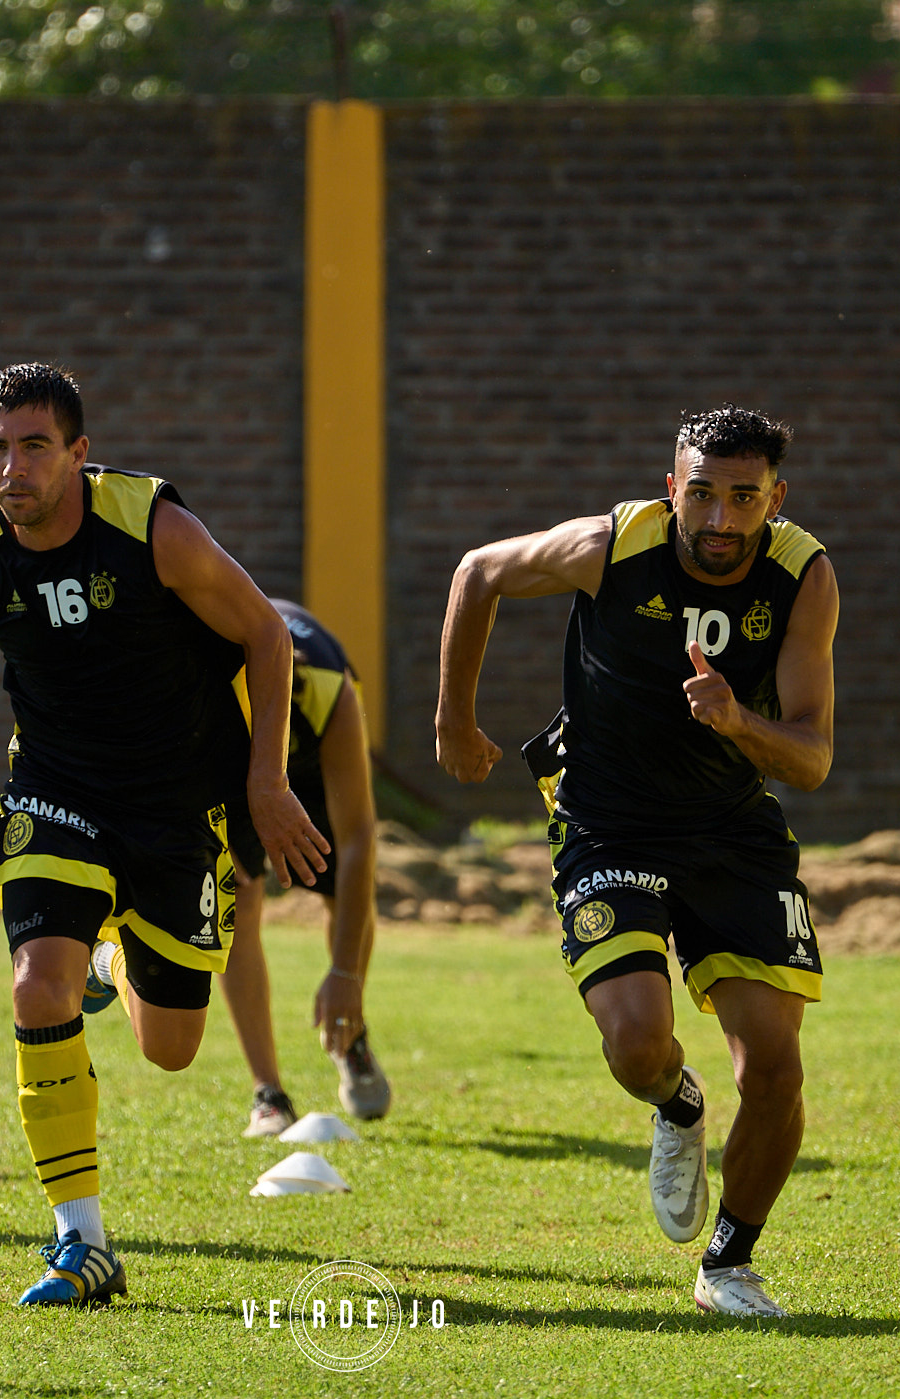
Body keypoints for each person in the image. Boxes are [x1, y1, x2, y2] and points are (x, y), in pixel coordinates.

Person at [0, 362, 327, 1307]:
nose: (11, 467)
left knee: (173, 1047)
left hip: (180, 800)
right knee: (33, 981)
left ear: (77, 454)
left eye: (33, 446)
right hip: (54, 787)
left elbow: (268, 635)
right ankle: (82, 1240)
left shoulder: (153, 529)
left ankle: (113, 964)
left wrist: (265, 780)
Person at [435, 405, 838, 1318]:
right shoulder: (611, 546)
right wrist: (454, 718)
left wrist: (737, 721)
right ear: (673, 489)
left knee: (775, 1068)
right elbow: (478, 571)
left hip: (733, 830)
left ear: (776, 498)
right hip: (608, 823)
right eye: (702, 493)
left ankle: (729, 1265)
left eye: (744, 497)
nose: (720, 519)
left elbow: (812, 759)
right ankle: (677, 1102)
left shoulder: (803, 577)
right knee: (636, 1044)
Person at [217, 598, 389, 1136]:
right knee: (238, 898)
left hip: (311, 766)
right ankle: (268, 1093)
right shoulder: (209, 683)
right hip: (229, 760)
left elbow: (359, 838)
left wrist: (346, 974)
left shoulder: (326, 689)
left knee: (344, 892)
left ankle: (348, 1031)